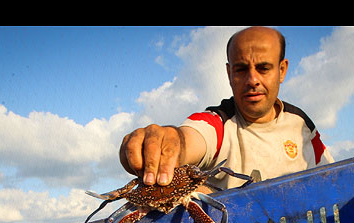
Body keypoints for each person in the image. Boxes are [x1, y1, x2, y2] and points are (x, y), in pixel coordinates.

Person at [119, 26, 334, 191]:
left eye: (263, 68)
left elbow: (331, 178)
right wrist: (164, 142)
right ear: (229, 74)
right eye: (241, 69)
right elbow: (188, 140)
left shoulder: (301, 124)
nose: (252, 80)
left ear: (282, 70)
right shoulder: (217, 123)